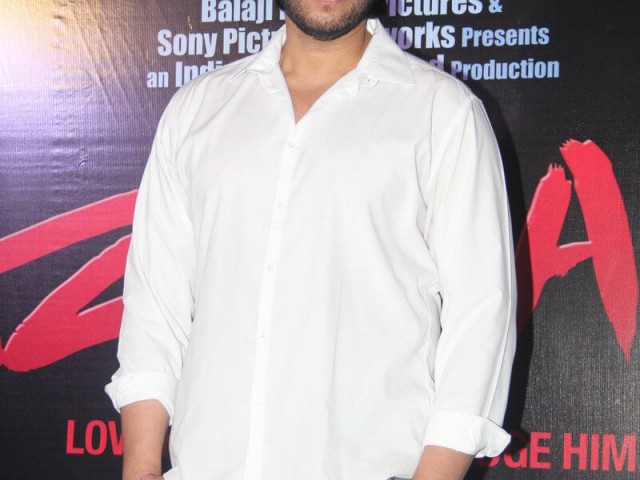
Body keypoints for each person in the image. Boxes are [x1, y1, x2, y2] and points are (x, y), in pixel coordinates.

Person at [106, 1, 517, 479]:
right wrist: (141, 467)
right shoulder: (197, 109)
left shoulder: (443, 112)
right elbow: (156, 307)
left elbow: (480, 316)